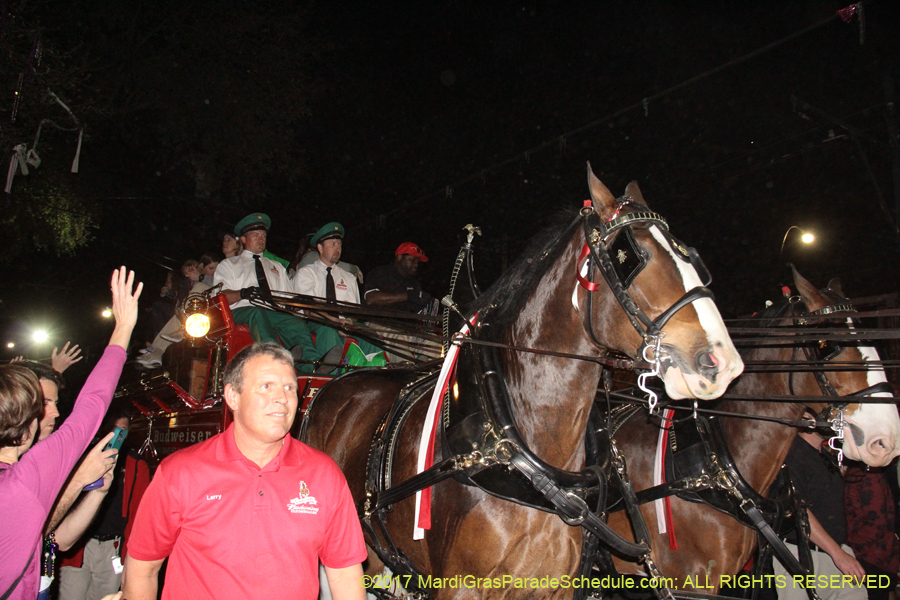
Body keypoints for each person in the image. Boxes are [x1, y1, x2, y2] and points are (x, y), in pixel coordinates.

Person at [123, 343, 367, 600]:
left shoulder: (324, 475)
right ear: (233, 397)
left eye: (289, 388)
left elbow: (345, 574)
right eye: (266, 386)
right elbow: (142, 569)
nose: (282, 398)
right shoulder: (180, 473)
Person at [0, 267, 141, 600]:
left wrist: (93, 489)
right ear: (25, 418)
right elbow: (91, 407)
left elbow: (54, 536)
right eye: (41, 405)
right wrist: (123, 328)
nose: (54, 413)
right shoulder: (23, 480)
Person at [58, 407, 151, 600]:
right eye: (114, 430)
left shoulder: (136, 465)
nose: (118, 436)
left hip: (112, 548)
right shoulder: (84, 459)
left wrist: (130, 557)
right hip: (81, 546)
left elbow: (138, 517)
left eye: (123, 431)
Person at [773, 420, 867, 600]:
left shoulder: (825, 457)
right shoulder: (790, 453)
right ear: (807, 416)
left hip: (835, 552)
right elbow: (798, 510)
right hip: (801, 555)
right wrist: (838, 554)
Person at [213, 213, 315, 367]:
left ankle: (312, 364)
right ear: (243, 239)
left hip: (270, 312)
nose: (261, 239)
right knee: (257, 312)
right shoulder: (229, 265)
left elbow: (287, 298)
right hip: (241, 311)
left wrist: (299, 303)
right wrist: (243, 293)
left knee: (294, 322)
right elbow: (220, 297)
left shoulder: (277, 267)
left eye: (263, 235)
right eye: (255, 235)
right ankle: (275, 357)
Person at [293, 222, 383, 373]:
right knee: (328, 330)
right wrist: (335, 322)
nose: (337, 249)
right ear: (320, 248)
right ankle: (329, 376)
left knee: (370, 334)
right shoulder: (307, 273)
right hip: (316, 321)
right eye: (332, 244)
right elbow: (309, 309)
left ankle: (370, 375)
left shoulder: (348, 277)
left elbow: (354, 311)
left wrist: (349, 322)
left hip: (342, 323)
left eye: (339, 244)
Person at [364, 242, 440, 362]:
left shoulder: (414, 283)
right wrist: (407, 296)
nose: (416, 264)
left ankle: (429, 370)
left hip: (406, 328)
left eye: (417, 261)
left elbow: (418, 314)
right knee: (400, 343)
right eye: (412, 260)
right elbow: (371, 299)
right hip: (379, 324)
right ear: (399, 257)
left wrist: (430, 309)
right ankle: (408, 369)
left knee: (437, 344)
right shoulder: (381, 273)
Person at [843, 464, 898, 600]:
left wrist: (848, 544)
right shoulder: (864, 473)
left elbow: (876, 524)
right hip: (874, 556)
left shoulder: (865, 476)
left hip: (870, 558)